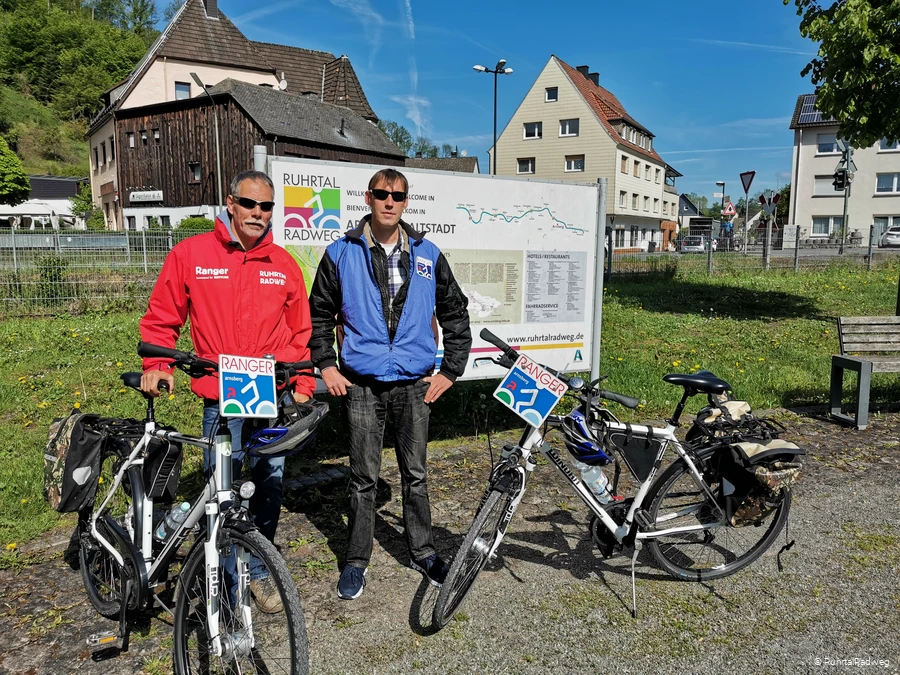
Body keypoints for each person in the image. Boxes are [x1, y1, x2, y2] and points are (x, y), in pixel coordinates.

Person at [139, 169, 315, 612]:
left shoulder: (285, 263)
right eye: (250, 203)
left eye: (267, 206)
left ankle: (257, 571)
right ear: (231, 203)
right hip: (221, 397)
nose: (258, 213)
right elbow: (163, 315)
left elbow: (302, 334)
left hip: (270, 398)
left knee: (269, 484)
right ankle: (227, 583)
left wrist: (304, 383)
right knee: (223, 491)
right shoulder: (192, 254)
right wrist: (159, 364)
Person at [308, 168, 472, 600]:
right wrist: (326, 363)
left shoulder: (427, 252)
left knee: (415, 475)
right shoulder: (341, 252)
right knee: (363, 477)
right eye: (381, 194)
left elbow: (455, 312)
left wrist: (450, 370)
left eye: (397, 196)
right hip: (361, 385)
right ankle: (356, 561)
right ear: (368, 197)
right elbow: (319, 314)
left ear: (405, 201)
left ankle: (422, 550)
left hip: (415, 385)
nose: (389, 201)